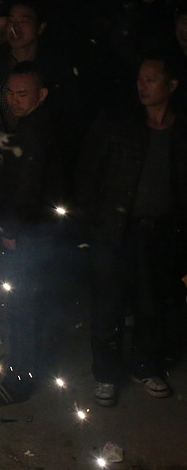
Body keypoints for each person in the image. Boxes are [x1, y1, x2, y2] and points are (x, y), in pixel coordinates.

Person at [77, 51, 187, 405]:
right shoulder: (119, 123)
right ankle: (107, 375)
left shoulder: (181, 128)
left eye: (151, 79)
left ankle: (145, 365)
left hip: (160, 232)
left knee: (151, 303)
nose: (142, 86)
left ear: (171, 85)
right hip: (115, 229)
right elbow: (89, 172)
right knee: (108, 303)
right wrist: (92, 223)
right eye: (140, 78)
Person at [0, 63, 71, 407]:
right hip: (38, 229)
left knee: (22, 307)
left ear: (41, 95)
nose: (14, 100)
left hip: (30, 233)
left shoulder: (34, 131)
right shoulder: (34, 124)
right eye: (10, 93)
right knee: (24, 304)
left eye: (22, 93)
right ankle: (20, 375)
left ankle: (18, 383)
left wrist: (11, 229)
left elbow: (27, 186)